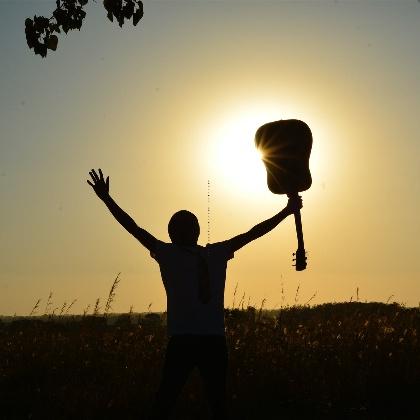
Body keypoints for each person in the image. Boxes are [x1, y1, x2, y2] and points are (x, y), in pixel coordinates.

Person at [87, 168, 302, 420]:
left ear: (176, 233)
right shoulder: (205, 253)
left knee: (181, 403)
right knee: (197, 403)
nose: (182, 231)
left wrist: (286, 212)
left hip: (194, 341)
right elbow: (252, 233)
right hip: (203, 340)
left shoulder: (183, 254)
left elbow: (134, 228)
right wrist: (286, 212)